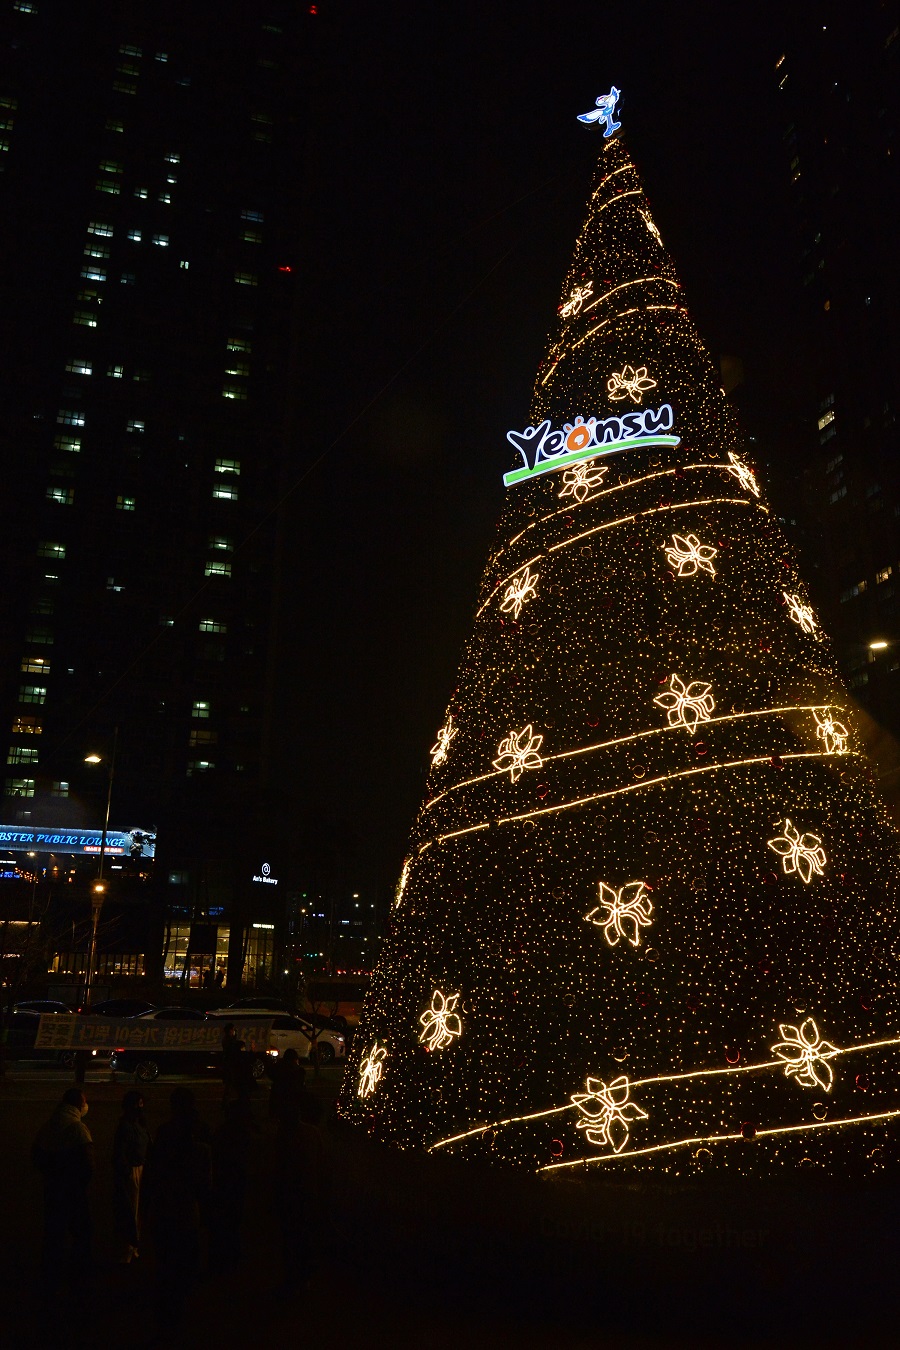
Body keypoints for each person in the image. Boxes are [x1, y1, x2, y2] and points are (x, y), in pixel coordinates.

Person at [145, 1086, 211, 1323]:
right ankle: (180, 1303)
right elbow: (204, 1178)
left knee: (167, 1256)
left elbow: (153, 1171)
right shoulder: (199, 1133)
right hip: (186, 1206)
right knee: (185, 1254)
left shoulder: (164, 1133)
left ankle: (168, 1304)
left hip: (166, 1204)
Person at [31, 1087, 93, 1289]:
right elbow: (88, 1161)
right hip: (73, 1189)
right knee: (81, 1231)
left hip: (52, 1187)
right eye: (84, 1102)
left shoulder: (49, 1125)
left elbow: (36, 1154)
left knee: (54, 1231)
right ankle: (77, 1274)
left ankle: (50, 1272)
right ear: (78, 1104)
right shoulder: (77, 1128)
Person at [272, 1106, 325, 1293]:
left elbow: (279, 1167)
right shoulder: (312, 1133)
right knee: (305, 1234)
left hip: (292, 1193)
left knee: (292, 1236)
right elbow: (321, 1162)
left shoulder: (283, 1136)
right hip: (308, 1192)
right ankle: (304, 1275)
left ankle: (294, 1276)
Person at [209, 1099, 257, 1272]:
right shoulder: (239, 1133)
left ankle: (226, 1255)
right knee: (233, 1217)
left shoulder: (224, 1132)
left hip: (227, 1179)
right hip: (234, 1179)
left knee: (228, 1218)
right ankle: (231, 1255)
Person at [112, 1089, 151, 1263]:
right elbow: (120, 1153)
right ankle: (128, 1248)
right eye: (138, 1104)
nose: (140, 1107)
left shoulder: (138, 1124)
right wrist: (127, 1171)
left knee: (138, 1211)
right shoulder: (127, 1126)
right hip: (133, 1171)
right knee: (131, 1211)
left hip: (140, 1169)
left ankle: (134, 1246)